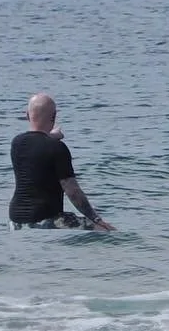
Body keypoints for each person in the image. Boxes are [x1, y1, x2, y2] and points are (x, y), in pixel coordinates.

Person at [9, 94, 112, 230]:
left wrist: (52, 136)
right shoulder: (57, 148)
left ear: (27, 115)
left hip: (15, 221)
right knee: (105, 231)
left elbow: (37, 142)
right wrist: (95, 218)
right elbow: (73, 191)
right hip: (46, 219)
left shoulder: (17, 143)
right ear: (54, 117)